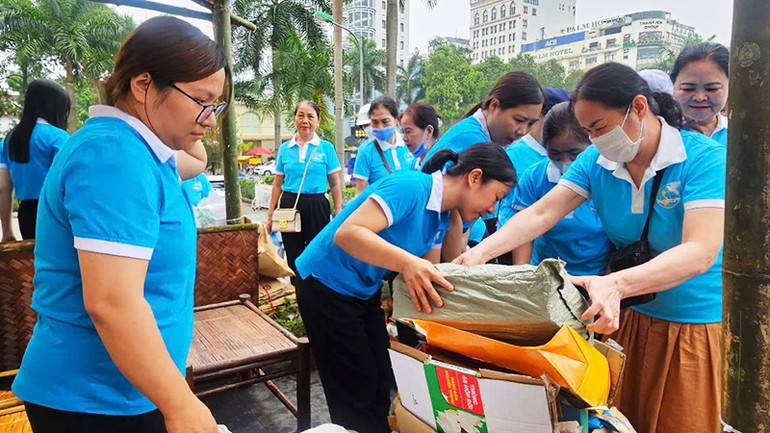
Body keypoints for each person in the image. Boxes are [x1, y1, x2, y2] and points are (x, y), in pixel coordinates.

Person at [455, 62, 725, 433]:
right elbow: (541, 212)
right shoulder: (597, 160)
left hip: (689, 324)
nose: (595, 140)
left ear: (639, 108)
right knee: (617, 421)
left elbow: (701, 250)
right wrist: (478, 255)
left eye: (599, 127)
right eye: (587, 131)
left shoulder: (703, 160)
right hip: (625, 317)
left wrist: (615, 284)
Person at [12, 16, 229, 433]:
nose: (210, 119)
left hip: (124, 389)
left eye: (216, 105)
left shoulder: (142, 151)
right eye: (202, 101)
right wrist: (180, 404)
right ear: (143, 84)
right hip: (95, 400)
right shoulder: (114, 156)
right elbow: (112, 302)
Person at [295, 142, 515, 433]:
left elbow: (432, 273)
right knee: (354, 388)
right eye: (496, 197)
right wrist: (408, 263)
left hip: (362, 290)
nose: (491, 209)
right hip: (325, 283)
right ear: (474, 178)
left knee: (380, 380)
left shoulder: (443, 215)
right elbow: (348, 233)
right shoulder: (411, 187)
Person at [511, 101, 610, 275]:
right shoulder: (535, 177)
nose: (564, 162)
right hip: (544, 274)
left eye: (574, 154)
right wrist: (523, 275)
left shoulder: (606, 177)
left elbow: (619, 239)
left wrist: (607, 282)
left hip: (595, 274)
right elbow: (523, 234)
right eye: (555, 154)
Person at [267, 100, 343, 282]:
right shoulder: (285, 149)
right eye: (300, 115)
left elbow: (335, 184)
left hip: (317, 205)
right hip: (288, 206)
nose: (305, 120)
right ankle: (297, 291)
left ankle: (316, 289)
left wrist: (338, 210)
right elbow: (277, 184)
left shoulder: (326, 148)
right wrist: (271, 213)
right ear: (294, 118)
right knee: (292, 251)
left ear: (318, 120)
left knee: (317, 250)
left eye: (310, 116)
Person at [0, 79, 70, 241]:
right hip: (55, 212)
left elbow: (3, 187)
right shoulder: (58, 137)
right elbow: (69, 181)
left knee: (32, 262)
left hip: (26, 215)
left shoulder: (9, 140)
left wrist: (7, 231)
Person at [671, 42, 730, 146]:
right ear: (673, 85)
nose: (699, 98)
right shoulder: (661, 136)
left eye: (712, 89)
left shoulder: (741, 133)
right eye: (688, 89)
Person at [352, 96, 412, 195]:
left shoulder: (410, 144)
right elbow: (360, 193)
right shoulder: (366, 151)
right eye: (375, 122)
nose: (380, 127)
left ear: (397, 120)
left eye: (385, 121)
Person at [398, 103, 441, 167]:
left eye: (408, 131)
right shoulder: (411, 165)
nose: (404, 138)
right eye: (403, 132)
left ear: (429, 131)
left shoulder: (445, 166)